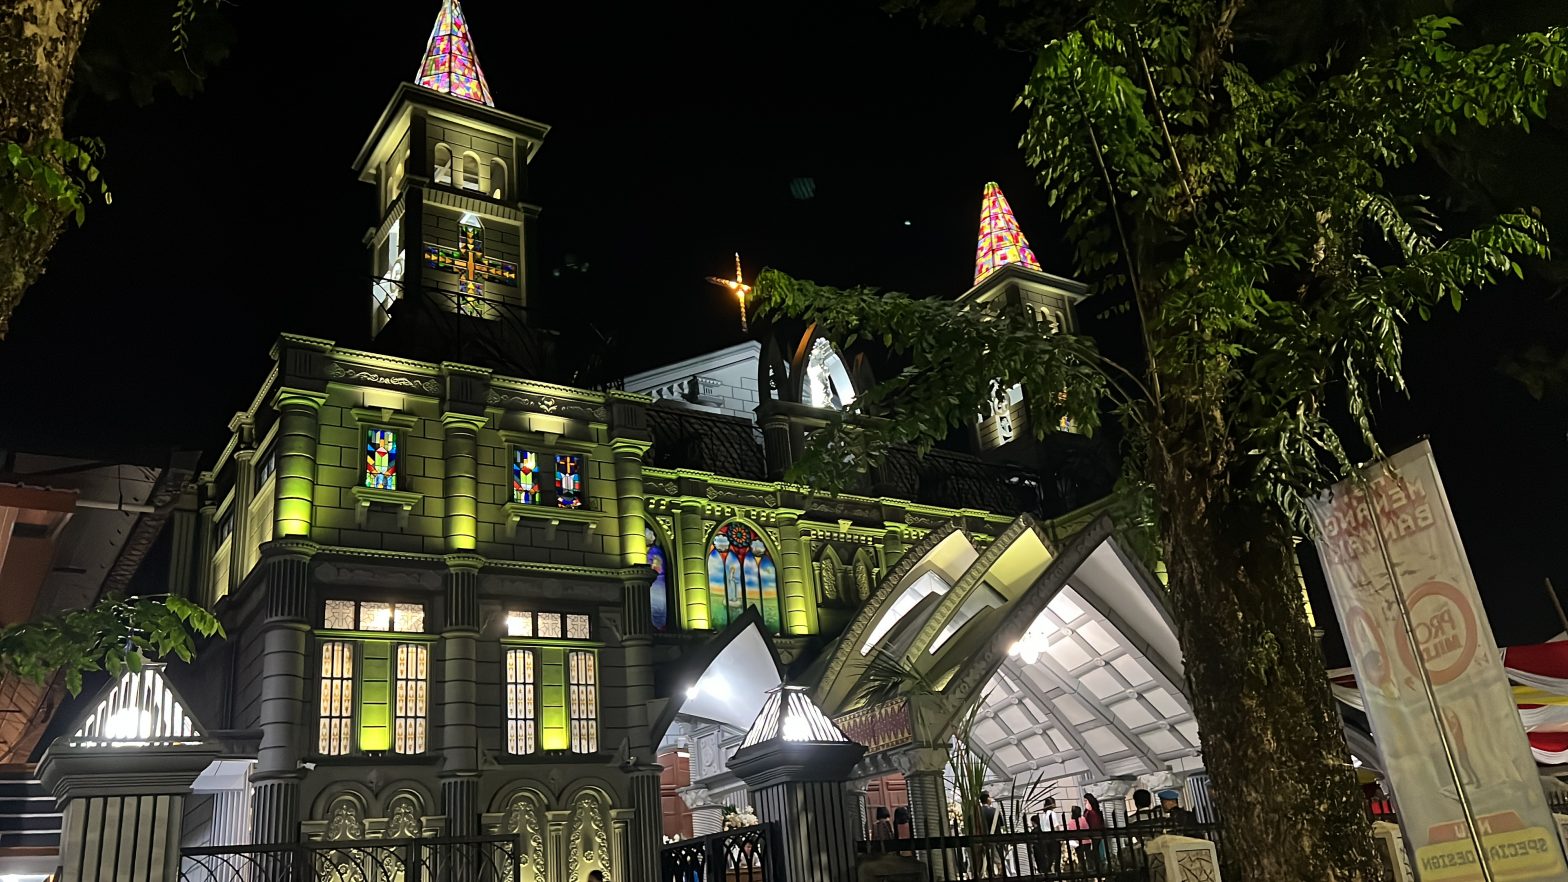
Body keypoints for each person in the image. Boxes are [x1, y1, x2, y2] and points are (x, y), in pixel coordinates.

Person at [978, 791, 1005, 878]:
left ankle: (990, 874)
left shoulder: (978, 812)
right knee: (998, 860)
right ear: (987, 799)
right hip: (995, 839)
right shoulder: (995, 811)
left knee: (986, 859)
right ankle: (1000, 873)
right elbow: (1001, 824)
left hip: (981, 839)